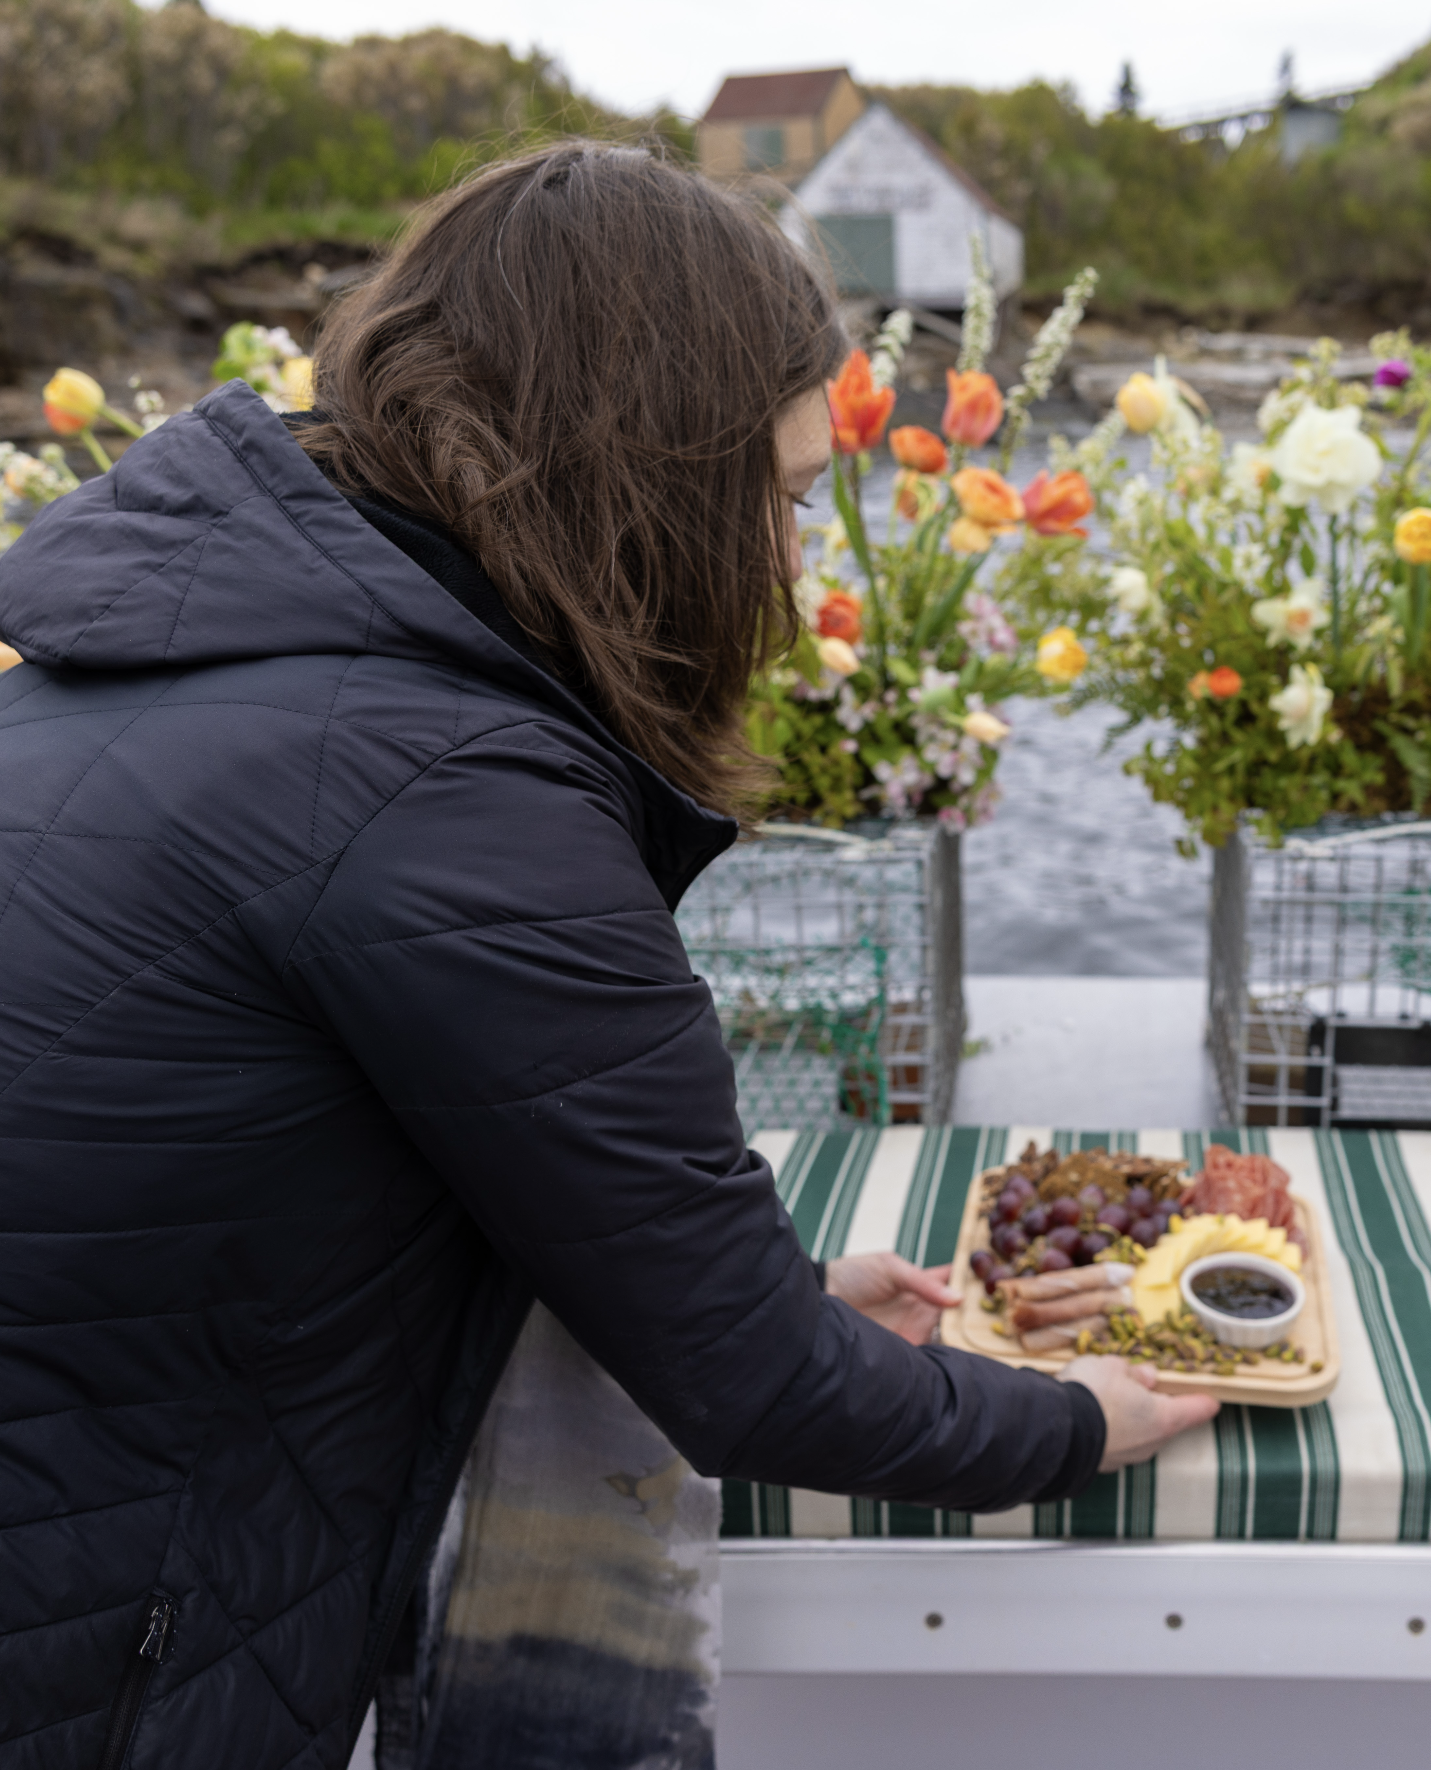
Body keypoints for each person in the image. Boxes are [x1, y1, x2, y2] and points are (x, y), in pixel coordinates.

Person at [0, 143, 1216, 1768]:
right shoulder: (442, 784)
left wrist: (764, 1283)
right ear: (649, 465)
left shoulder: (176, 655)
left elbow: (327, 1157)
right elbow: (756, 1386)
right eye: (784, 500)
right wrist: (1078, 1421)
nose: (794, 573)